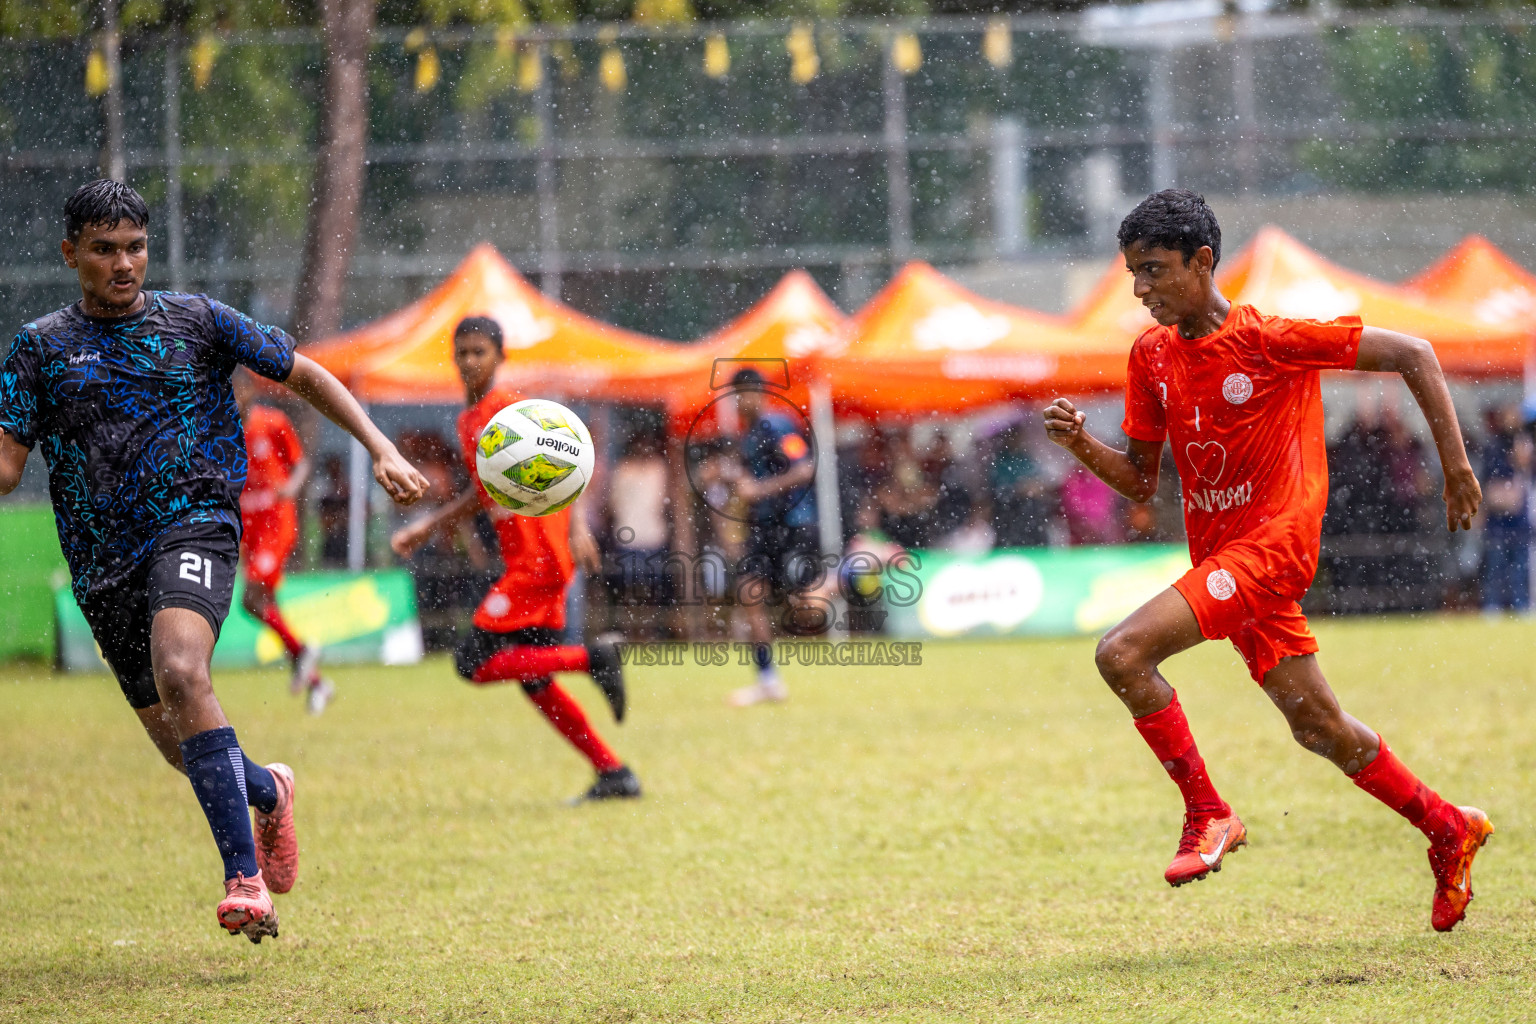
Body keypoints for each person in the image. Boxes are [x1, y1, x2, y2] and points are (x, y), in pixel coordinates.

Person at [1042, 189, 1491, 932]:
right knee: (1322, 729)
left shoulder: (1271, 339)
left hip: (1273, 552)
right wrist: (1082, 444)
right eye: (1133, 274)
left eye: (1153, 270)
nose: (1140, 289)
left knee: (1122, 653)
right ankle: (1448, 827)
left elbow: (1416, 352)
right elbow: (1141, 482)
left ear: (1204, 261)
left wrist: (1457, 468)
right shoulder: (1151, 356)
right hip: (1227, 561)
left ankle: (1209, 814)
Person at [0, 180, 429, 941]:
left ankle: (245, 882)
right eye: (104, 250)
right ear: (71, 254)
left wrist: (383, 446)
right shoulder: (39, 349)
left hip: (194, 525)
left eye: (134, 247)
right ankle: (268, 790)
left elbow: (308, 374)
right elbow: (6, 468)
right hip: (103, 567)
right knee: (183, 749)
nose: (123, 263)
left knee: (184, 670)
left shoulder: (195, 320)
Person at [390, 316, 639, 803]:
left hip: (538, 559)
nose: (468, 362)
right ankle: (614, 774)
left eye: (479, 352)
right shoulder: (470, 419)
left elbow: (566, 454)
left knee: (471, 663)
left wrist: (580, 526)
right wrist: (430, 525)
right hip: (527, 559)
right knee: (534, 679)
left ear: (500, 357)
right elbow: (483, 494)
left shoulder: (506, 407)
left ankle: (592, 657)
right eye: (462, 352)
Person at [231, 370, 332, 713]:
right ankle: (317, 682)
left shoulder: (272, 422)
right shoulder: (222, 430)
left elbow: (301, 464)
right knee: (267, 606)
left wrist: (291, 487)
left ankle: (303, 652)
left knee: (251, 600)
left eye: (234, 389)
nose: (231, 396)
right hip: (248, 528)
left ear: (248, 390)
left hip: (276, 524)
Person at [723, 367, 819, 707]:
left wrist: (759, 490)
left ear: (755, 392)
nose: (736, 402)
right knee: (750, 594)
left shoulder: (777, 424)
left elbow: (804, 468)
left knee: (806, 603)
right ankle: (767, 680)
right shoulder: (748, 434)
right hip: (764, 527)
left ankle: (854, 575)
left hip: (791, 523)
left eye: (740, 394)